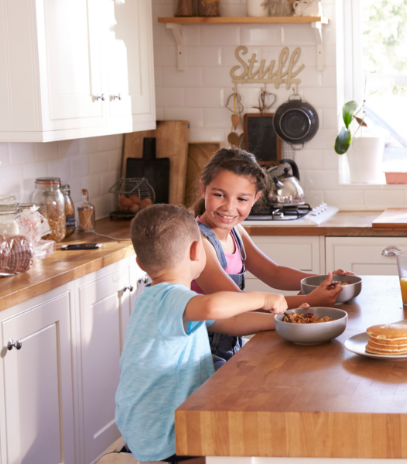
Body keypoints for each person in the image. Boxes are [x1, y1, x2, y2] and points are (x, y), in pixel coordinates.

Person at [114, 204, 289, 464]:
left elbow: (230, 321)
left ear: (140, 264)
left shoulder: (155, 300)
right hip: (165, 427)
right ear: (197, 250)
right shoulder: (172, 298)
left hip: (143, 420)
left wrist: (279, 322)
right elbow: (213, 305)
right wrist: (262, 297)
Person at [191, 148, 350, 366]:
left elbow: (273, 273)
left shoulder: (236, 232)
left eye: (241, 199)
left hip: (231, 345)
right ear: (203, 189)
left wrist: (323, 280)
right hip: (200, 355)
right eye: (219, 195)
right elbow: (238, 301)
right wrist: (309, 301)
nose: (229, 207)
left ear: (255, 199)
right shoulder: (198, 241)